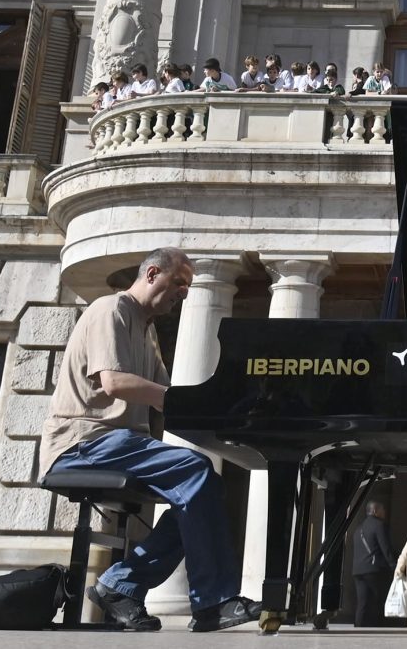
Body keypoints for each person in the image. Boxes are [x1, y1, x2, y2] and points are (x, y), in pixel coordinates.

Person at [41, 247, 256, 632]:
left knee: (206, 484)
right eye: (179, 283)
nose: (184, 293)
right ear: (152, 273)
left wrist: (225, 412)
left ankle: (121, 584)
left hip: (116, 443)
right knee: (195, 470)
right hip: (83, 441)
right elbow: (115, 382)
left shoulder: (146, 327)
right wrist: (181, 402)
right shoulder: (111, 310)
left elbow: (166, 395)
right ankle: (213, 602)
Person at [353, 499, 396, 627]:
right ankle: (378, 627)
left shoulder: (358, 528)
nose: (385, 512)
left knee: (362, 603)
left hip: (358, 571)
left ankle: (358, 627)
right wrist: (393, 565)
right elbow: (386, 548)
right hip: (374, 569)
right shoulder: (379, 525)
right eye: (383, 509)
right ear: (375, 511)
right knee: (380, 600)